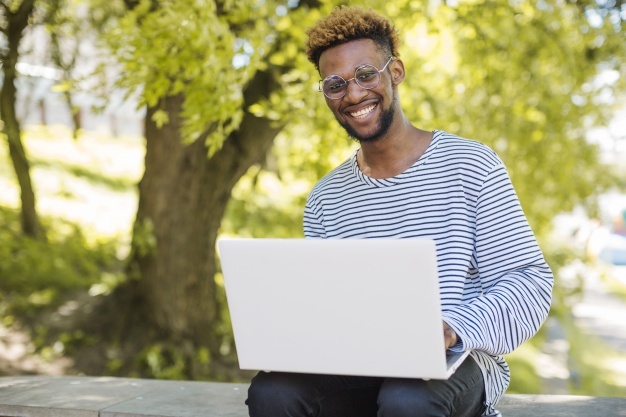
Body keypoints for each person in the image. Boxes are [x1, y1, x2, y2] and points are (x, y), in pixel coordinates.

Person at [246, 6, 553, 417]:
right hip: (358, 363)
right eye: (335, 84)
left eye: (365, 75)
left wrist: (451, 329)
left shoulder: (472, 166)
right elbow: (327, 308)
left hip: (457, 361)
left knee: (407, 398)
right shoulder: (325, 198)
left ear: (396, 72)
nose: (352, 95)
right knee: (272, 392)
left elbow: (530, 284)